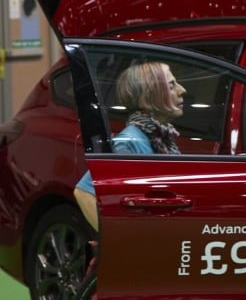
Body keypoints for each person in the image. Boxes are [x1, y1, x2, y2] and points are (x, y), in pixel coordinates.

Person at [72, 61, 186, 231]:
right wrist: (117, 238)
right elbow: (84, 192)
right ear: (147, 98)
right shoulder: (130, 142)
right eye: (171, 85)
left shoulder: (160, 138)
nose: (182, 90)